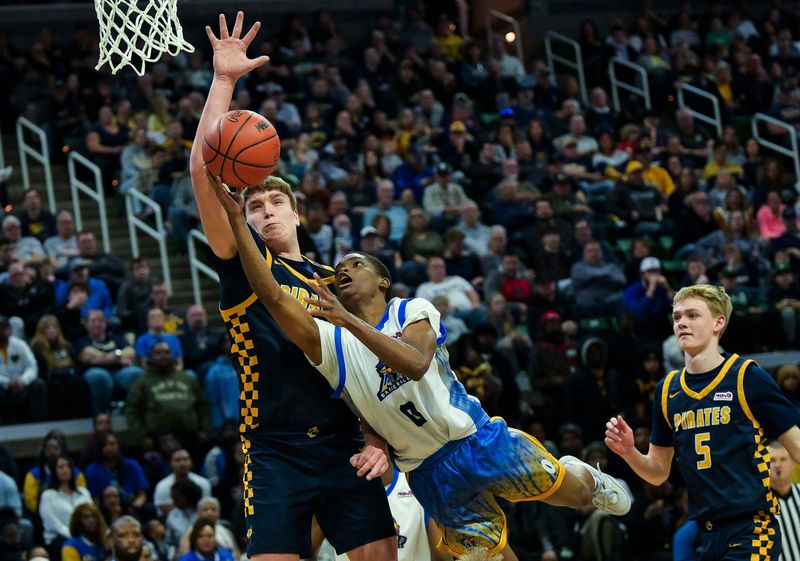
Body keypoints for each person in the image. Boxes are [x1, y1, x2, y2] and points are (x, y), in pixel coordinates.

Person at [214, 175, 632, 561]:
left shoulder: (411, 309)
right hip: (428, 472)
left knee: (567, 493)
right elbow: (272, 297)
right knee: (491, 556)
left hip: (475, 438)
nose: (343, 271)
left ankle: (591, 479)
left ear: (382, 281)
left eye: (355, 265)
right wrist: (236, 222)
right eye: (339, 269)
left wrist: (347, 320)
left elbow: (413, 364)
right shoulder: (334, 344)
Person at [187, 12, 395, 561]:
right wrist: (225, 82)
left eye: (277, 201)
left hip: (345, 441)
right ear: (245, 219)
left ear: (297, 214)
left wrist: (379, 439)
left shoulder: (339, 282)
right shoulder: (242, 264)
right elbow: (204, 176)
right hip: (274, 448)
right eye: (255, 205)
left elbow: (381, 365)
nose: (266, 209)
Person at [605, 284, 800, 561]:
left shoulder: (746, 376)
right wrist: (629, 452)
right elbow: (659, 471)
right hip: (705, 533)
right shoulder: (668, 389)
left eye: (693, 315)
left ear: (718, 322)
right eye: (677, 317)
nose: (682, 322)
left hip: (753, 527)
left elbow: (797, 447)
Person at [38, 455, 92, 558]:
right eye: (61, 467)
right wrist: (75, 536)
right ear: (54, 471)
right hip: (59, 539)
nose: (66, 470)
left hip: (86, 536)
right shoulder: (48, 495)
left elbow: (93, 515)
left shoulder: (84, 492)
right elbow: (53, 524)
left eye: (68, 466)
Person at [153, 449, 212, 517]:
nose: (182, 463)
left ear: (191, 462)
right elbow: (165, 511)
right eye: (177, 460)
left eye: (185, 459)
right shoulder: (162, 486)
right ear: (171, 463)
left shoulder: (203, 483)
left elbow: (207, 507)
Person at [768, 441, 800, 560]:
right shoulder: (759, 502)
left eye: (783, 459)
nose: (777, 465)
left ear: (793, 463)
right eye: (772, 460)